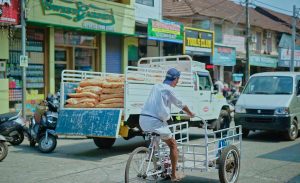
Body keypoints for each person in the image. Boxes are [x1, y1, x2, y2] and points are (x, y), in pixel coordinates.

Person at [139, 68, 195, 182]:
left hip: (143, 119)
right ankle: (174, 175)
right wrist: (191, 113)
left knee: (157, 140)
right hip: (155, 122)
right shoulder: (169, 90)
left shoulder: (156, 86)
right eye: (178, 79)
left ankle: (159, 165)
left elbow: (158, 103)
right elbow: (181, 104)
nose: (178, 82)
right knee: (173, 145)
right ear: (175, 79)